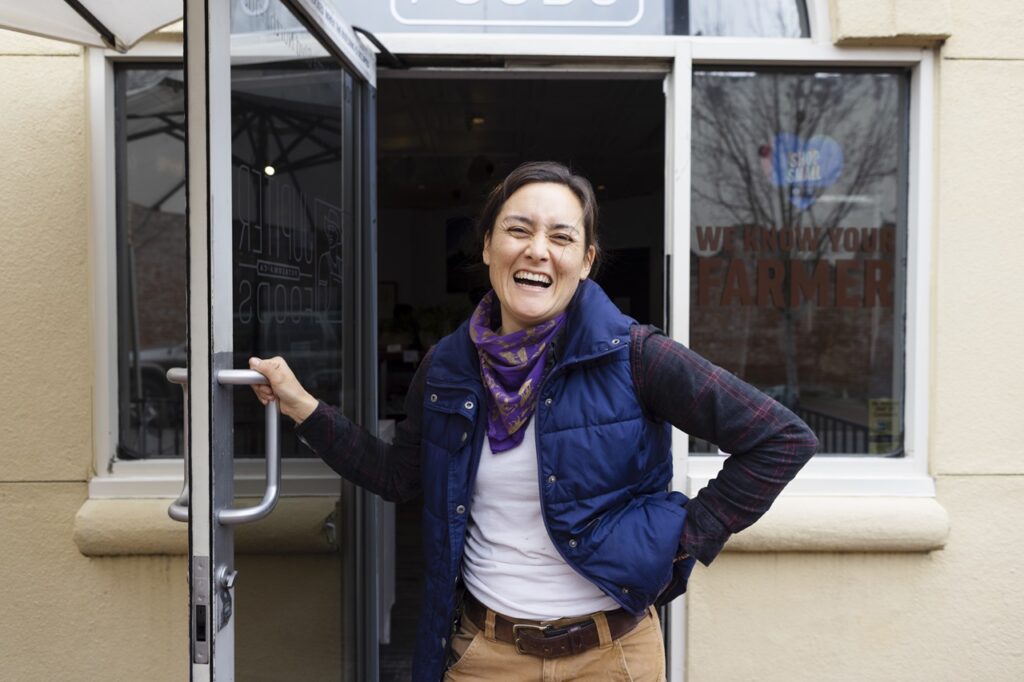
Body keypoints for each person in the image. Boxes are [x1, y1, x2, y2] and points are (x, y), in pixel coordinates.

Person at [249, 161, 818, 681]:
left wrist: (682, 538)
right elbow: (399, 476)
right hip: (486, 655)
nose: (537, 250)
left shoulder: (635, 356)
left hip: (613, 657)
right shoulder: (448, 367)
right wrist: (302, 407)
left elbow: (781, 439)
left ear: (586, 260)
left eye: (561, 237)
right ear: (488, 247)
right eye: (518, 230)